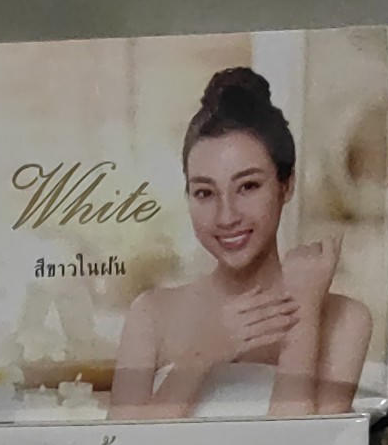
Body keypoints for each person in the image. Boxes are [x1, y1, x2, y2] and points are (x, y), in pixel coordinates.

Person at [109, 66, 370, 418]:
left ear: (286, 185)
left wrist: (304, 313)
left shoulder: (344, 321)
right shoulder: (151, 315)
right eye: (205, 192)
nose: (226, 216)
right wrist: (201, 356)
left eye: (248, 186)